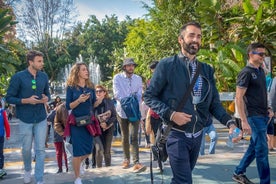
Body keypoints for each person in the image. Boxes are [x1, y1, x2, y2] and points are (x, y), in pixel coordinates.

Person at [143, 22, 238, 184]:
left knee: (182, 179)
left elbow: (214, 103)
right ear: (181, 39)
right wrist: (172, 114)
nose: (196, 40)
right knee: (184, 180)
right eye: (191, 35)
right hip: (176, 134)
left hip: (197, 135)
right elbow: (149, 96)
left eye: (199, 36)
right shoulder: (167, 65)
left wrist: (230, 123)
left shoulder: (206, 69)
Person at [6, 50, 51, 184]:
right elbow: (9, 98)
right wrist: (26, 100)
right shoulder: (18, 77)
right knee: (26, 149)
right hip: (25, 118)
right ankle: (27, 169)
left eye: (42, 61)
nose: (42, 64)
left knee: (40, 149)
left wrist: (45, 98)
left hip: (41, 117)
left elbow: (47, 94)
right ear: (30, 62)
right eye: (39, 61)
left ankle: (39, 179)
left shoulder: (44, 76)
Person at [233, 43, 273, 184]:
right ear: (251, 54)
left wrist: (269, 109)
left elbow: (263, 94)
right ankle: (265, 182)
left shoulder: (261, 71)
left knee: (254, 148)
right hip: (253, 116)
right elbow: (239, 97)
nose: (263, 57)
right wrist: (244, 121)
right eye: (260, 54)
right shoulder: (246, 72)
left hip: (263, 115)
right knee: (262, 152)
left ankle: (238, 172)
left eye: (264, 54)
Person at [113, 58, 147, 173]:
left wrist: (133, 101)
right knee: (124, 136)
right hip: (121, 111)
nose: (131, 67)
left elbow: (139, 94)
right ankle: (126, 159)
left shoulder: (138, 79)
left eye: (132, 65)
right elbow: (117, 94)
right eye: (129, 66)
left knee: (134, 136)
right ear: (124, 67)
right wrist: (128, 100)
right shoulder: (117, 78)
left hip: (134, 111)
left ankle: (136, 161)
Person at [65, 62, 96, 184]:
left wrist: (98, 102)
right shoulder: (71, 87)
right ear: (77, 72)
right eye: (84, 70)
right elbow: (68, 106)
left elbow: (93, 104)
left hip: (88, 121)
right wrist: (79, 100)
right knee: (77, 151)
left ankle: (79, 162)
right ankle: (77, 177)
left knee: (89, 149)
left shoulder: (90, 87)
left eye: (87, 69)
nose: (87, 71)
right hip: (76, 122)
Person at [87, 85, 117, 168]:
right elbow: (88, 115)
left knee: (107, 151)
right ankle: (99, 169)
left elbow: (114, 116)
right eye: (96, 91)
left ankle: (108, 168)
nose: (98, 93)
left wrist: (106, 123)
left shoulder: (109, 102)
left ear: (104, 93)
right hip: (96, 129)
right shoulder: (92, 103)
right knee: (99, 149)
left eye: (100, 91)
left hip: (108, 128)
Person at [48, 102, 68, 173]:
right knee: (61, 153)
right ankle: (61, 168)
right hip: (59, 136)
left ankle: (65, 168)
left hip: (63, 136)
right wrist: (54, 111)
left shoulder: (63, 113)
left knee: (65, 153)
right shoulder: (55, 113)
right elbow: (48, 118)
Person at [0, 103, 10, 178]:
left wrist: (8, 134)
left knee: (0, 153)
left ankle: (0, 169)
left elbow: (6, 123)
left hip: (0, 135)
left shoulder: (2, 112)